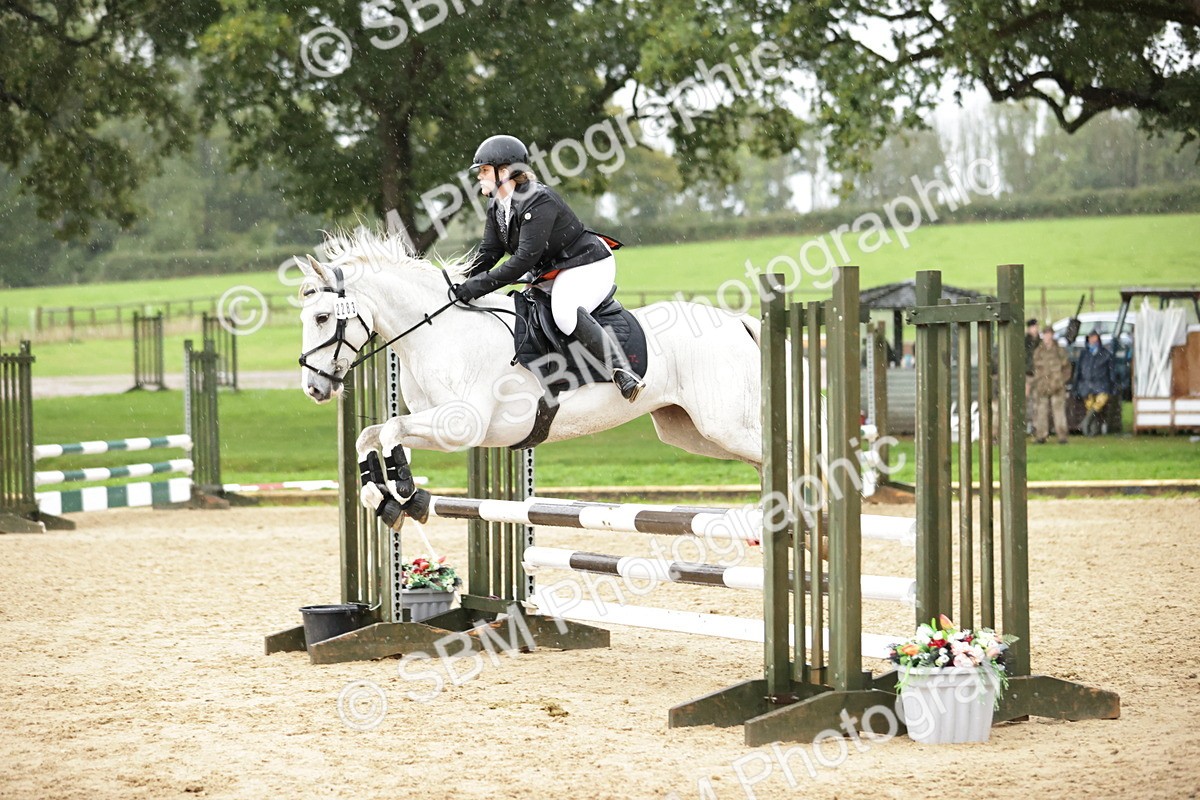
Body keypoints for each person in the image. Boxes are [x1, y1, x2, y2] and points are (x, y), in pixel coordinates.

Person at [453, 134, 644, 402]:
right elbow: (489, 253)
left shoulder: (538, 200)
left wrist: (476, 287)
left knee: (564, 313)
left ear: (504, 172)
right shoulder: (496, 205)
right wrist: (459, 280)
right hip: (552, 270)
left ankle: (622, 371)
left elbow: (523, 260)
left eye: (484, 170)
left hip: (587, 263)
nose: (478, 176)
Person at [1031, 325, 1071, 444]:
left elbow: (1067, 368)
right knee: (1041, 411)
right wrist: (1038, 381)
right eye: (1045, 334)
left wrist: (1061, 381)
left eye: (1049, 334)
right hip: (1042, 385)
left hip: (1057, 385)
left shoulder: (1060, 351)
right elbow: (1035, 369)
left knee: (1059, 411)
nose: (1047, 337)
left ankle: (1062, 436)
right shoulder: (1038, 351)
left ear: (1052, 335)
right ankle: (1041, 436)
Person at [1073, 330, 1116, 436]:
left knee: (1099, 403)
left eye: (1094, 337)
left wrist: (1112, 385)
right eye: (1090, 337)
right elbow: (1078, 371)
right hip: (1086, 385)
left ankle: (1085, 423)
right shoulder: (1084, 354)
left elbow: (1111, 372)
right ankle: (1092, 431)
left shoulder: (1106, 354)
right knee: (1090, 406)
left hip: (1102, 385)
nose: (1092, 340)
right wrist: (1076, 386)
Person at [1024, 318, 1039, 433]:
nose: (1036, 329)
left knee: (1037, 402)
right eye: (1034, 327)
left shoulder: (1040, 342)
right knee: (1026, 401)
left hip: (1039, 376)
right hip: (1028, 376)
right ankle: (1026, 424)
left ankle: (1035, 426)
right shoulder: (1025, 342)